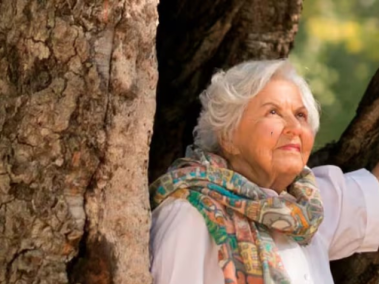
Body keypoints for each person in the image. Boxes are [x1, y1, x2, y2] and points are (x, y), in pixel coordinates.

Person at [149, 59, 379, 284]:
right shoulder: (189, 213)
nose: (295, 128)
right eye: (273, 112)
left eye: (300, 115)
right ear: (228, 137)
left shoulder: (308, 206)